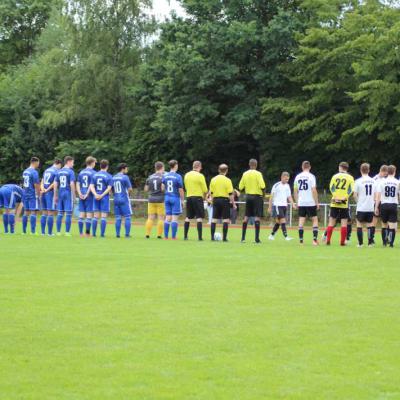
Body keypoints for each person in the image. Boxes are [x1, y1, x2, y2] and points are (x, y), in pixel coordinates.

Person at [325, 162, 355, 246]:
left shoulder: (335, 176)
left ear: (340, 167)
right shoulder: (350, 177)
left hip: (334, 201)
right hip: (344, 203)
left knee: (331, 222)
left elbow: (331, 187)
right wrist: (344, 197)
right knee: (344, 223)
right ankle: (342, 242)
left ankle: (328, 240)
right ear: (347, 168)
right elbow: (351, 189)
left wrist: (335, 196)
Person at [239, 159, 266, 243]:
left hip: (248, 197)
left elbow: (240, 187)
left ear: (249, 164)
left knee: (246, 216)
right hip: (257, 197)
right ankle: (256, 238)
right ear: (256, 165)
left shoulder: (245, 174)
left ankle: (243, 238)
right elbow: (262, 185)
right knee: (257, 217)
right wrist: (263, 195)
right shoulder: (258, 174)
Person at [293, 161, 319, 245]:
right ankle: (314, 240)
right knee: (314, 220)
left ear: (302, 167)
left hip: (301, 201)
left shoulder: (298, 176)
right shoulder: (311, 176)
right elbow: (314, 190)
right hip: (310, 202)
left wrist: (297, 202)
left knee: (301, 220)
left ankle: (301, 241)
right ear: (310, 167)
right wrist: (317, 202)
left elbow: (295, 191)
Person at [209, 164, 236, 242]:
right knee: (225, 220)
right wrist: (233, 203)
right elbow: (230, 194)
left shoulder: (213, 179)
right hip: (224, 200)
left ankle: (212, 238)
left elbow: (211, 192)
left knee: (214, 219)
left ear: (218, 170)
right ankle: (224, 238)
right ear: (226, 171)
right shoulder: (228, 180)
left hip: (216, 200)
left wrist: (212, 200)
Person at [375, 165, 399, 247]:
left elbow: (378, 196)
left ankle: (384, 243)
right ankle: (391, 244)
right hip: (393, 205)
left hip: (384, 205)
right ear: (394, 172)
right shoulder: (397, 182)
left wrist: (376, 207)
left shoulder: (382, 181)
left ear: (387, 172)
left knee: (384, 225)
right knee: (392, 226)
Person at [183, 161, 208, 241]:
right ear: (199, 167)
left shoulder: (186, 175)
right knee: (199, 217)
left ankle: (185, 236)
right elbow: (205, 189)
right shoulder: (200, 175)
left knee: (188, 217)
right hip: (197, 197)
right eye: (201, 167)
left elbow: (185, 187)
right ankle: (200, 237)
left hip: (189, 197)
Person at [268, 172, 296, 241]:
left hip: (284, 206)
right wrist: (270, 207)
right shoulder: (276, 185)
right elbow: (271, 197)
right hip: (277, 206)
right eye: (286, 179)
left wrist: (293, 204)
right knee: (283, 221)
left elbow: (289, 196)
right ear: (282, 177)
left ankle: (271, 235)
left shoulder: (287, 186)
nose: (287, 180)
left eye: (288, 179)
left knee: (278, 222)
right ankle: (286, 237)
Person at [353, 163, 376, 247]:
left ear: (360, 170)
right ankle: (370, 243)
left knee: (359, 225)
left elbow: (354, 195)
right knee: (369, 225)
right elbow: (376, 194)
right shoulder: (374, 181)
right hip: (370, 207)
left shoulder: (358, 181)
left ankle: (360, 244)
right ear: (369, 170)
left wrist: (358, 202)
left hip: (361, 207)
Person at [90, 159, 113, 238]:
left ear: (100, 166)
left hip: (96, 197)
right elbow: (109, 188)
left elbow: (91, 186)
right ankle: (102, 234)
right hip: (104, 198)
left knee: (95, 216)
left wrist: (96, 194)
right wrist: (102, 195)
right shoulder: (109, 176)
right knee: (103, 216)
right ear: (107, 166)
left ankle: (93, 234)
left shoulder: (95, 175)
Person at [162, 160, 184, 240]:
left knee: (167, 217)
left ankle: (165, 236)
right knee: (174, 218)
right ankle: (174, 237)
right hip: (175, 198)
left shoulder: (165, 175)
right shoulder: (178, 176)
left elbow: (162, 187)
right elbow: (180, 189)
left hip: (167, 197)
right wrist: (182, 200)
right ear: (175, 166)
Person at [54, 156, 76, 236]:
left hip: (60, 192)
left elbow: (56, 184)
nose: (73, 164)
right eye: (73, 162)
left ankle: (58, 232)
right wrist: (74, 196)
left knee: (60, 213)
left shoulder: (58, 171)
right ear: (69, 162)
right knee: (68, 213)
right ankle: (67, 232)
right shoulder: (70, 172)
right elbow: (72, 184)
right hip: (67, 192)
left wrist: (55, 195)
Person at [40, 158, 62, 236]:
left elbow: (42, 181)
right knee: (50, 213)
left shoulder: (46, 170)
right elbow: (54, 183)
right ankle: (49, 233)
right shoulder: (57, 171)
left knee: (44, 213)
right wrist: (47, 190)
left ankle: (42, 232)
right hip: (50, 193)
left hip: (43, 193)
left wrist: (43, 189)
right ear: (59, 164)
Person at [76, 156, 97, 237]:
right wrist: (87, 194)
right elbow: (91, 185)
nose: (95, 164)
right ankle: (87, 233)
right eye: (94, 163)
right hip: (89, 196)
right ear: (92, 163)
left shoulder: (81, 172)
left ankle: (81, 233)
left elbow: (77, 183)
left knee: (81, 214)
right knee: (89, 215)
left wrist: (79, 193)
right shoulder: (94, 173)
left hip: (81, 194)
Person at [144, 161, 165, 239]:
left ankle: (147, 234)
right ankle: (159, 235)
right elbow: (163, 188)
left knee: (150, 217)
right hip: (160, 199)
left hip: (151, 199)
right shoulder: (163, 177)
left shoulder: (150, 177)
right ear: (162, 168)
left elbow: (146, 189)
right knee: (161, 217)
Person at [113, 163, 133, 238]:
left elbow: (111, 189)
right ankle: (127, 234)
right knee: (127, 217)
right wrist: (128, 194)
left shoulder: (114, 177)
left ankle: (117, 234)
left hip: (116, 199)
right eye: (126, 168)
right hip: (124, 199)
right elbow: (130, 189)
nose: (127, 170)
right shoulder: (125, 177)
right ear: (123, 169)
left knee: (118, 217)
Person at [22, 157, 41, 234]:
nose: (38, 164)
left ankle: (24, 231)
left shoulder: (25, 171)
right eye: (38, 163)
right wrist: (38, 193)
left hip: (25, 193)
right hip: (32, 194)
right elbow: (36, 184)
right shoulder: (34, 172)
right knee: (33, 211)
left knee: (26, 212)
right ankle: (33, 231)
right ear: (35, 162)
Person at [372, 164, 388, 244]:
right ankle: (371, 238)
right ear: (382, 171)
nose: (386, 175)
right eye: (385, 173)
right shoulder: (374, 179)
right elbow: (373, 191)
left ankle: (385, 239)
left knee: (384, 221)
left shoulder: (385, 180)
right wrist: (375, 201)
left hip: (384, 202)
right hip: (376, 202)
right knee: (374, 221)